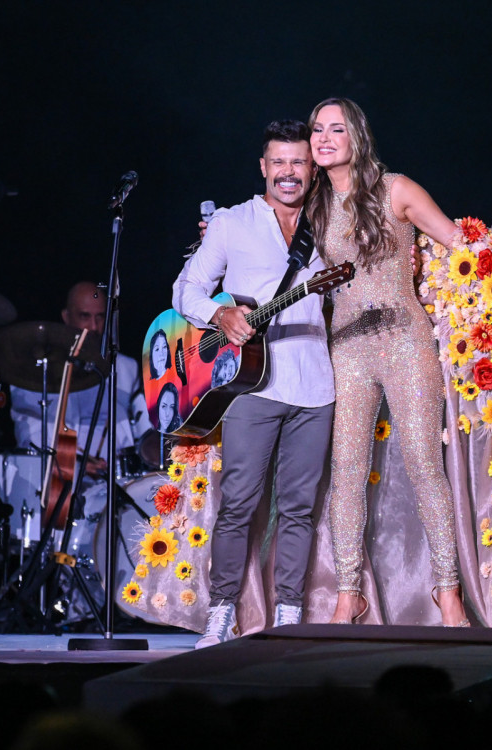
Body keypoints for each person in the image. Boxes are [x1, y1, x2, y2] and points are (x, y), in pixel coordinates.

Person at [306, 97, 469, 627]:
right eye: (316, 131)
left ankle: (449, 595)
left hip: (405, 338)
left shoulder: (395, 188)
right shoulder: (313, 203)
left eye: (336, 129)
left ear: (357, 135)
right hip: (347, 345)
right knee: (346, 472)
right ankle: (348, 593)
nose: (324, 139)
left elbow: (458, 241)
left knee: (425, 464)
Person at [173, 119, 335, 647]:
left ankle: (288, 613)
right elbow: (187, 289)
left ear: (312, 169)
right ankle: (222, 611)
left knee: (298, 507)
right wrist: (219, 317)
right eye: (279, 163)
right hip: (250, 383)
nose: (289, 173)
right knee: (239, 501)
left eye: (299, 163)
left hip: (315, 382)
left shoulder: (331, 219)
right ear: (263, 167)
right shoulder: (232, 223)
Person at [8, 282, 147, 476]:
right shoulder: (37, 370)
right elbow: (29, 435)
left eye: (100, 317)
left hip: (116, 480)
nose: (93, 327)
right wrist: (71, 464)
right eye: (84, 316)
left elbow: (143, 430)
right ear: (66, 317)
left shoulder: (126, 368)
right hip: (57, 478)